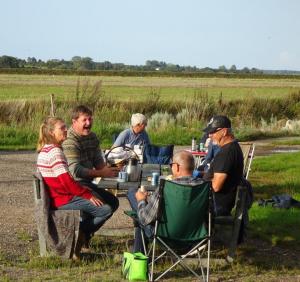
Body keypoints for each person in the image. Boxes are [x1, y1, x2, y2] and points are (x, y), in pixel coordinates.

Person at [36, 117, 115, 259]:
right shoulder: (55, 153)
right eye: (62, 128)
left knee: (99, 198)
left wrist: (86, 192)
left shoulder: (45, 150)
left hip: (58, 196)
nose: (66, 130)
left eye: (65, 127)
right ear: (51, 132)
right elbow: (67, 182)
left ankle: (80, 235)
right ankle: (81, 235)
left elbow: (65, 182)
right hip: (62, 199)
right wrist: (87, 195)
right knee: (105, 210)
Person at [127, 150, 204, 253]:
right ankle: (138, 252)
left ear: (176, 167)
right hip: (196, 240)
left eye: (171, 164)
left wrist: (142, 201)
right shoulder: (204, 188)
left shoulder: (166, 187)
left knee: (133, 195)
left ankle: (138, 255)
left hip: (164, 237)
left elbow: (145, 219)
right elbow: (211, 217)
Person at [62, 105, 119, 233]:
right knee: (104, 207)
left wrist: (113, 170)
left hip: (88, 182)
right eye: (85, 120)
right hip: (75, 184)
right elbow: (75, 171)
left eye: (90, 119)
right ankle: (81, 235)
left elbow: (98, 162)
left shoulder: (92, 137)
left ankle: (85, 234)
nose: (88, 123)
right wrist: (101, 173)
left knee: (114, 201)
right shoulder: (69, 140)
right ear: (74, 121)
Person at [202, 115, 244, 216]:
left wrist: (198, 185)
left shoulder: (226, 153)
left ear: (224, 132)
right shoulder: (233, 147)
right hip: (221, 201)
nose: (209, 136)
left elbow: (216, 186)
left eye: (212, 132)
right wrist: (201, 174)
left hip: (217, 205)